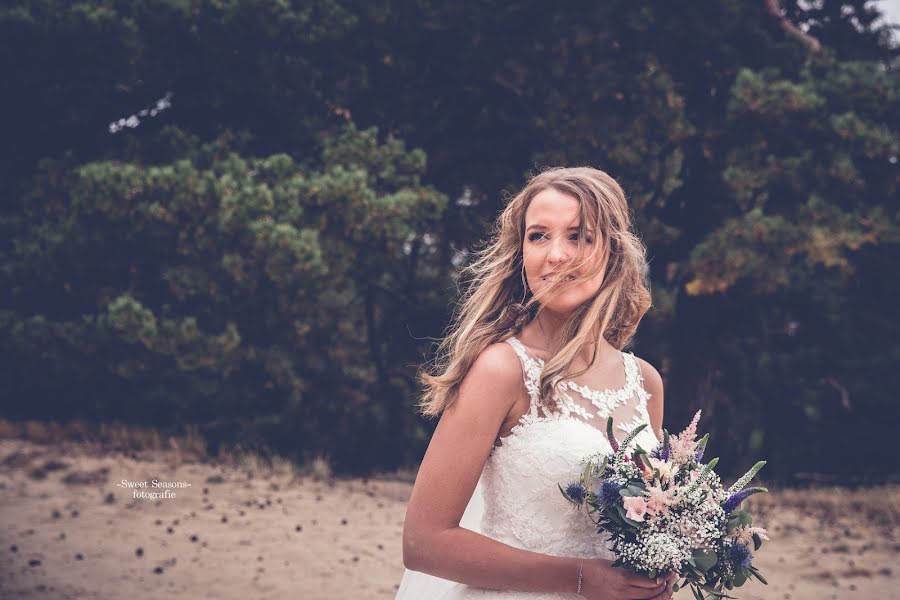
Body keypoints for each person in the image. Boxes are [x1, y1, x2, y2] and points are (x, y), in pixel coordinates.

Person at [397, 167, 676, 599]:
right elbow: (424, 543)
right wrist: (581, 578)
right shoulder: (502, 370)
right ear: (520, 251)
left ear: (613, 252)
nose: (556, 255)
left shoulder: (645, 384)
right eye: (539, 236)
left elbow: (644, 522)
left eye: (579, 236)